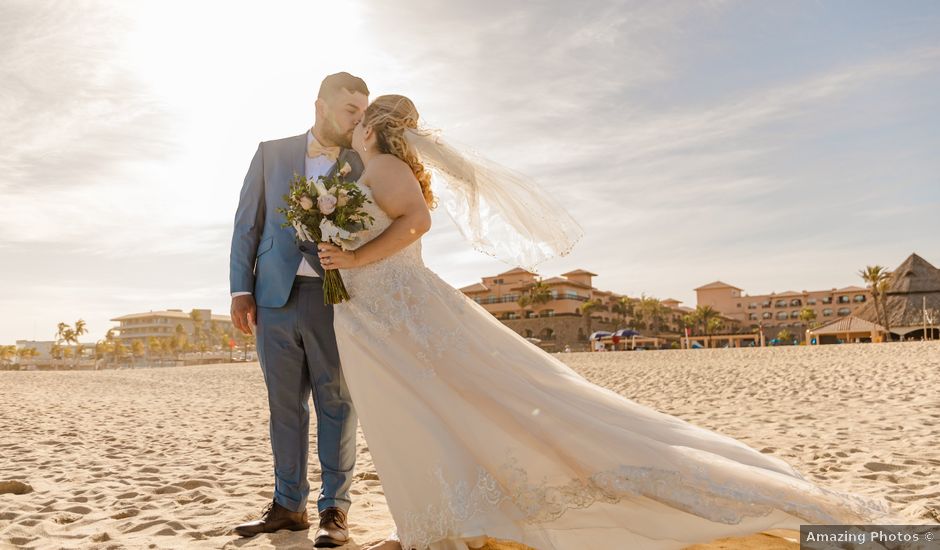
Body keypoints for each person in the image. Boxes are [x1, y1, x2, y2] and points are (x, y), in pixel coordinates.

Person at [314, 94, 902, 550]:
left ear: (376, 127)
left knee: (437, 407)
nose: (356, 124)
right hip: (372, 314)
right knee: (416, 412)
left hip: (397, 313)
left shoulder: (385, 166)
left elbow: (416, 223)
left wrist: (353, 256)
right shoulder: (363, 173)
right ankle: (428, 524)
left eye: (362, 117)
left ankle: (428, 529)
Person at [229, 72, 369, 547]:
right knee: (284, 408)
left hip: (337, 300)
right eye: (352, 111)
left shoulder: (364, 159)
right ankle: (289, 506)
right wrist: (239, 290)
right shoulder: (271, 152)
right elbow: (247, 223)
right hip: (273, 298)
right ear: (321, 106)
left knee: (337, 404)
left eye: (363, 112)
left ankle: (335, 509)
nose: (358, 120)